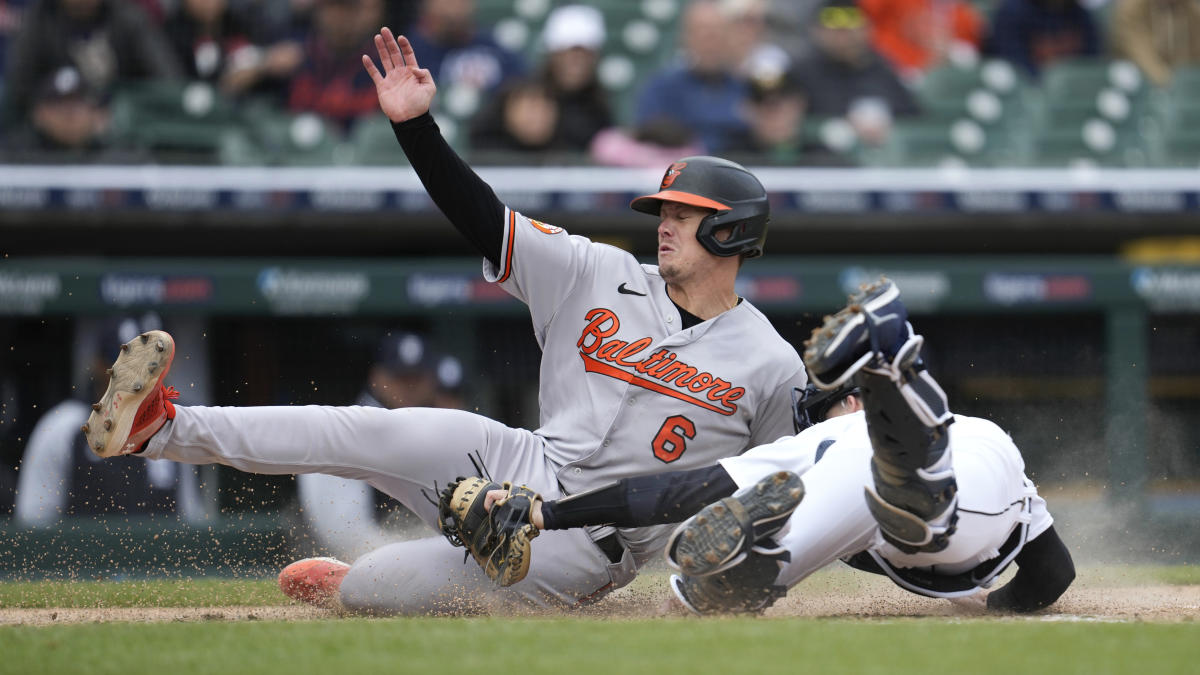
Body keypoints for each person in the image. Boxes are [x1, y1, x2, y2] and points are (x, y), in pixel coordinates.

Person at [82, 27, 807, 616]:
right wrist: (416, 129)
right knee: (362, 428)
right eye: (664, 212)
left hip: (591, 543)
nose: (665, 225)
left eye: (686, 215)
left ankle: (355, 585)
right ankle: (162, 427)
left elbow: (779, 495)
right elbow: (484, 219)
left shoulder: (770, 364)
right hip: (522, 459)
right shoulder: (598, 270)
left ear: (735, 233)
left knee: (376, 587)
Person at [473, 278, 1076, 615]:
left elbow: (680, 491)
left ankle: (765, 559)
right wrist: (991, 611)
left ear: (854, 401)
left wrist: (550, 513)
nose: (815, 414)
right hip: (969, 499)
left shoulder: (828, 437)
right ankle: (898, 418)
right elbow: (1053, 573)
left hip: (926, 475)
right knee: (885, 497)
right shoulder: (842, 443)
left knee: (708, 588)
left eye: (834, 398)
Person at [14, 316, 204, 528]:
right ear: (99, 364)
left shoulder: (175, 424)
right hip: (84, 559)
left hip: (159, 560)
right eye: (124, 363)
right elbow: (33, 525)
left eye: (151, 365)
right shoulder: (64, 426)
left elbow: (191, 523)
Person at [296, 331, 463, 560]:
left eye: (417, 378)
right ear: (378, 378)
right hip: (341, 559)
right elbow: (347, 537)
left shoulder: (428, 426)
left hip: (397, 552)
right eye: (400, 378)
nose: (409, 387)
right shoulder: (352, 425)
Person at [2, 0, 183, 129]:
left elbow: (168, 83)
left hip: (120, 133)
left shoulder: (128, 17)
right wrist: (47, 113)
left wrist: (119, 111)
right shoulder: (37, 20)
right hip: (47, 135)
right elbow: (19, 87)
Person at [791, 0, 920, 146]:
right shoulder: (801, 74)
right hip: (818, 161)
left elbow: (912, 116)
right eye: (835, 29)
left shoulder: (883, 69)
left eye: (849, 28)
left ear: (866, 29)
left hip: (882, 160)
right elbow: (783, 124)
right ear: (816, 31)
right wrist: (839, 126)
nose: (843, 37)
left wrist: (889, 126)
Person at [634, 0, 752, 154]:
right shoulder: (662, 88)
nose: (709, 42)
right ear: (685, 37)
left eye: (716, 33)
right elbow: (647, 138)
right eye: (701, 32)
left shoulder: (746, 86)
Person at [287, 0, 384, 131]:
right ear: (318, 13)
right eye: (330, 8)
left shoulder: (383, 62)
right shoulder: (296, 56)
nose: (338, 17)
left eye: (348, 9)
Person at [858, 0, 985, 81]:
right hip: (889, 73)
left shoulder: (962, 15)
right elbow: (861, 21)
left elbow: (969, 57)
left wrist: (949, 51)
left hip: (938, 80)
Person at [985, 0, 1101, 79]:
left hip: (1071, 99)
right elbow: (1016, 72)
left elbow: (1091, 67)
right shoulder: (1012, 12)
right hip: (1026, 103)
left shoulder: (1082, 15)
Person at [1110, 0, 1200, 88]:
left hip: (1179, 87)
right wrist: (1165, 79)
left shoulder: (1191, 9)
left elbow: (1195, 52)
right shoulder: (1131, 7)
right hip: (1134, 84)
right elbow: (1137, 48)